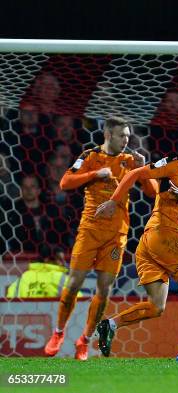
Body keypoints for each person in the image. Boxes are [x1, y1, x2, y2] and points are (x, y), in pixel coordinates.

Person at [94, 131, 178, 364]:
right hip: (167, 236)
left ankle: (110, 324)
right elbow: (135, 173)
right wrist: (113, 201)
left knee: (156, 306)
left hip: (149, 242)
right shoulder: (175, 165)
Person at [43, 116, 154, 361]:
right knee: (73, 285)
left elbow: (152, 192)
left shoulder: (130, 161)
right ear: (108, 135)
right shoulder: (90, 156)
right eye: (121, 135)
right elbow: (65, 182)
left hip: (117, 235)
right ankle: (59, 332)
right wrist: (95, 174)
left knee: (104, 290)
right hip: (90, 230)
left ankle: (85, 339)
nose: (126, 140)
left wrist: (144, 170)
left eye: (128, 136)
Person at [6, 245, 82, 298]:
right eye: (60, 259)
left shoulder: (23, 278)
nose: (63, 263)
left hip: (24, 319)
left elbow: (10, 299)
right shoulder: (62, 278)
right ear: (47, 259)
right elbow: (79, 302)